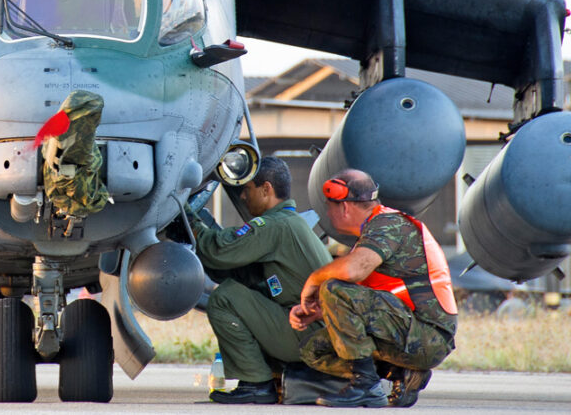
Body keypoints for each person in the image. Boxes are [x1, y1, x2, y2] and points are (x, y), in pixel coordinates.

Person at [288, 169, 457, 408]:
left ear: (344, 207)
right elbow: (365, 299)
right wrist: (323, 311)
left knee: (333, 287)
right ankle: (400, 373)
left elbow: (354, 271)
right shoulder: (371, 234)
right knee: (313, 350)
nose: (327, 213)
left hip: (428, 335)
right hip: (404, 330)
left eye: (329, 206)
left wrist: (314, 280)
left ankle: (365, 385)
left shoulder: (388, 223)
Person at [188, 156, 332, 404]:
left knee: (225, 298)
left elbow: (219, 251)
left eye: (247, 189)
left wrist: (189, 220)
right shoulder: (291, 223)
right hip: (318, 331)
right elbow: (240, 271)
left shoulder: (274, 225)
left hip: (309, 334)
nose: (243, 196)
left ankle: (255, 383)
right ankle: (266, 377)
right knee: (240, 289)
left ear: (266, 189)